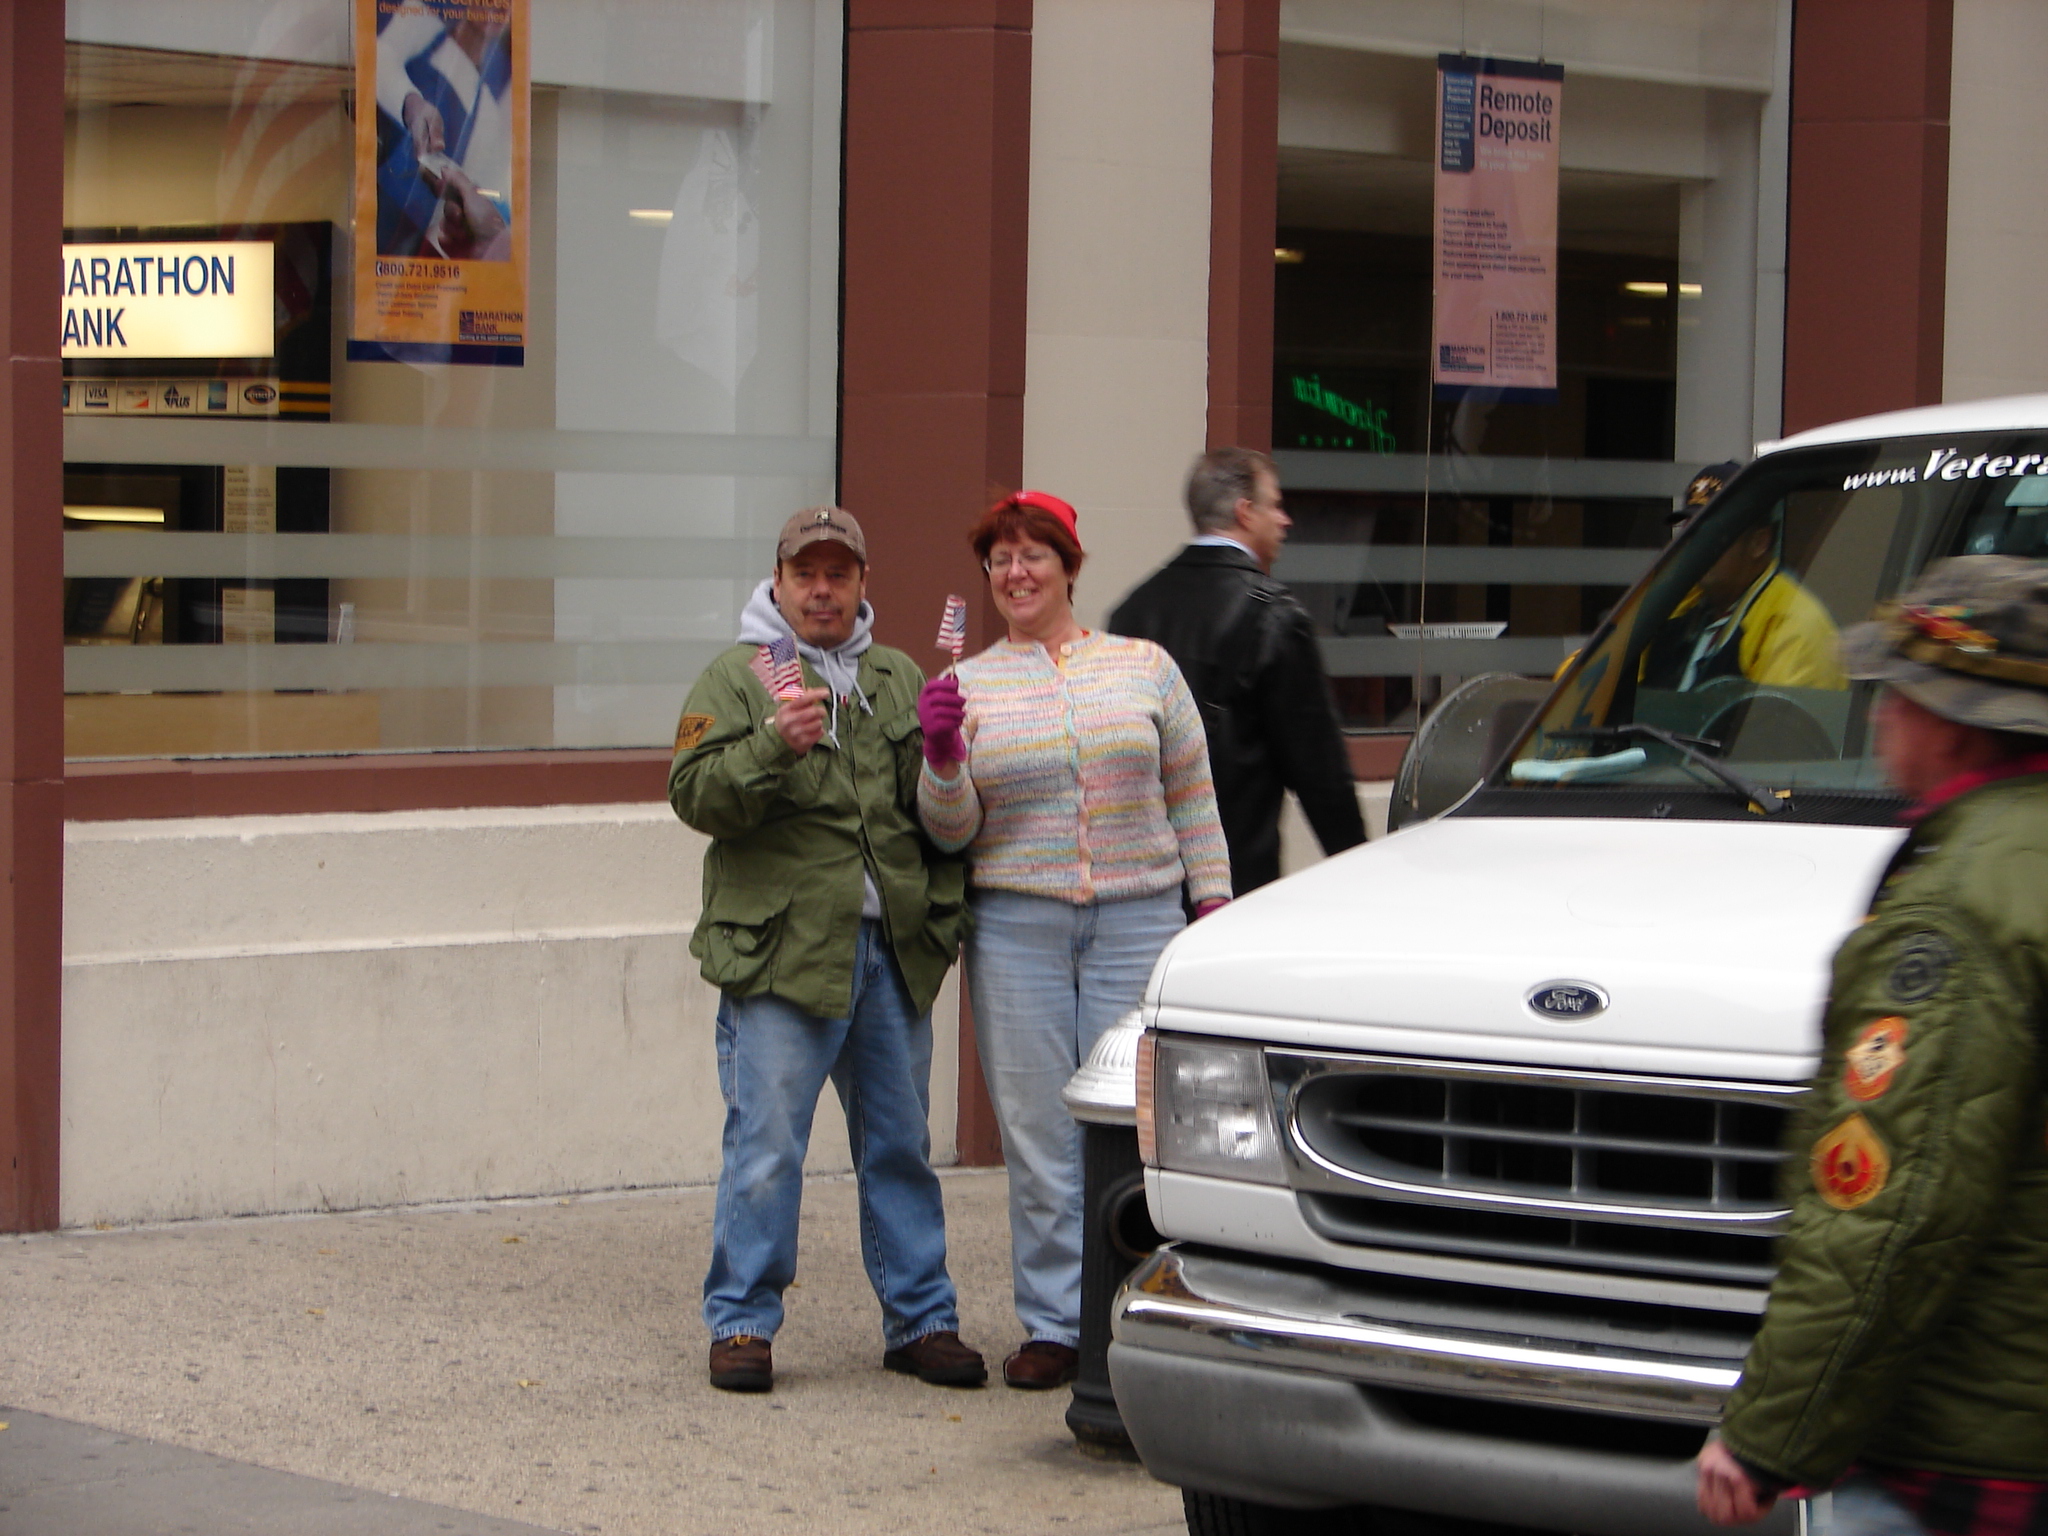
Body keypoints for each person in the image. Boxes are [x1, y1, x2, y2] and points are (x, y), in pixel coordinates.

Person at [1697, 555, 2048, 1532]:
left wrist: (1771, 1432)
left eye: (1894, 693)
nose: (1879, 715)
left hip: (1961, 1450)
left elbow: (1887, 1215)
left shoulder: (1954, 915)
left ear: (1949, 720)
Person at [915, 490, 1231, 1389]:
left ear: (1069, 565)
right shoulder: (968, 685)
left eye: (1033, 555)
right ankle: (1057, 1323)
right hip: (1016, 928)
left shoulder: (1145, 668)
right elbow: (950, 832)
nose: (1015, 573)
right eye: (999, 559)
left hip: (1139, 919)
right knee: (1039, 1131)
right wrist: (942, 761)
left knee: (1140, 1126)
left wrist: (1212, 903)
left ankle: (1139, 1309)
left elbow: (1192, 795)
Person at [668, 506, 984, 1395]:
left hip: (890, 955)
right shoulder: (737, 676)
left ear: (862, 584)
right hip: (783, 957)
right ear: (777, 581)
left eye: (837, 574)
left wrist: (945, 753)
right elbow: (692, 794)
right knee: (767, 1147)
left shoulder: (899, 676)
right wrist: (773, 745)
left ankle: (922, 1320)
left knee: (900, 1148)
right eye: (804, 573)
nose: (820, 590)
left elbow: (941, 823)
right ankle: (742, 1323)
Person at [1109, 447, 1365, 895]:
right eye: (1275, 506)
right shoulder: (1276, 619)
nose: (1285, 520)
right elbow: (1321, 776)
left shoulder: (1131, 610)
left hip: (1142, 887)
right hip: (1234, 882)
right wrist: (1361, 872)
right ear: (1245, 513)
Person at [1641, 516, 1847, 693]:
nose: (1697, 548)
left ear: (1759, 543)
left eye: (1712, 534)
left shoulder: (1792, 623)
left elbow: (1772, 722)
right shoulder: (1675, 605)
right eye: (1690, 534)